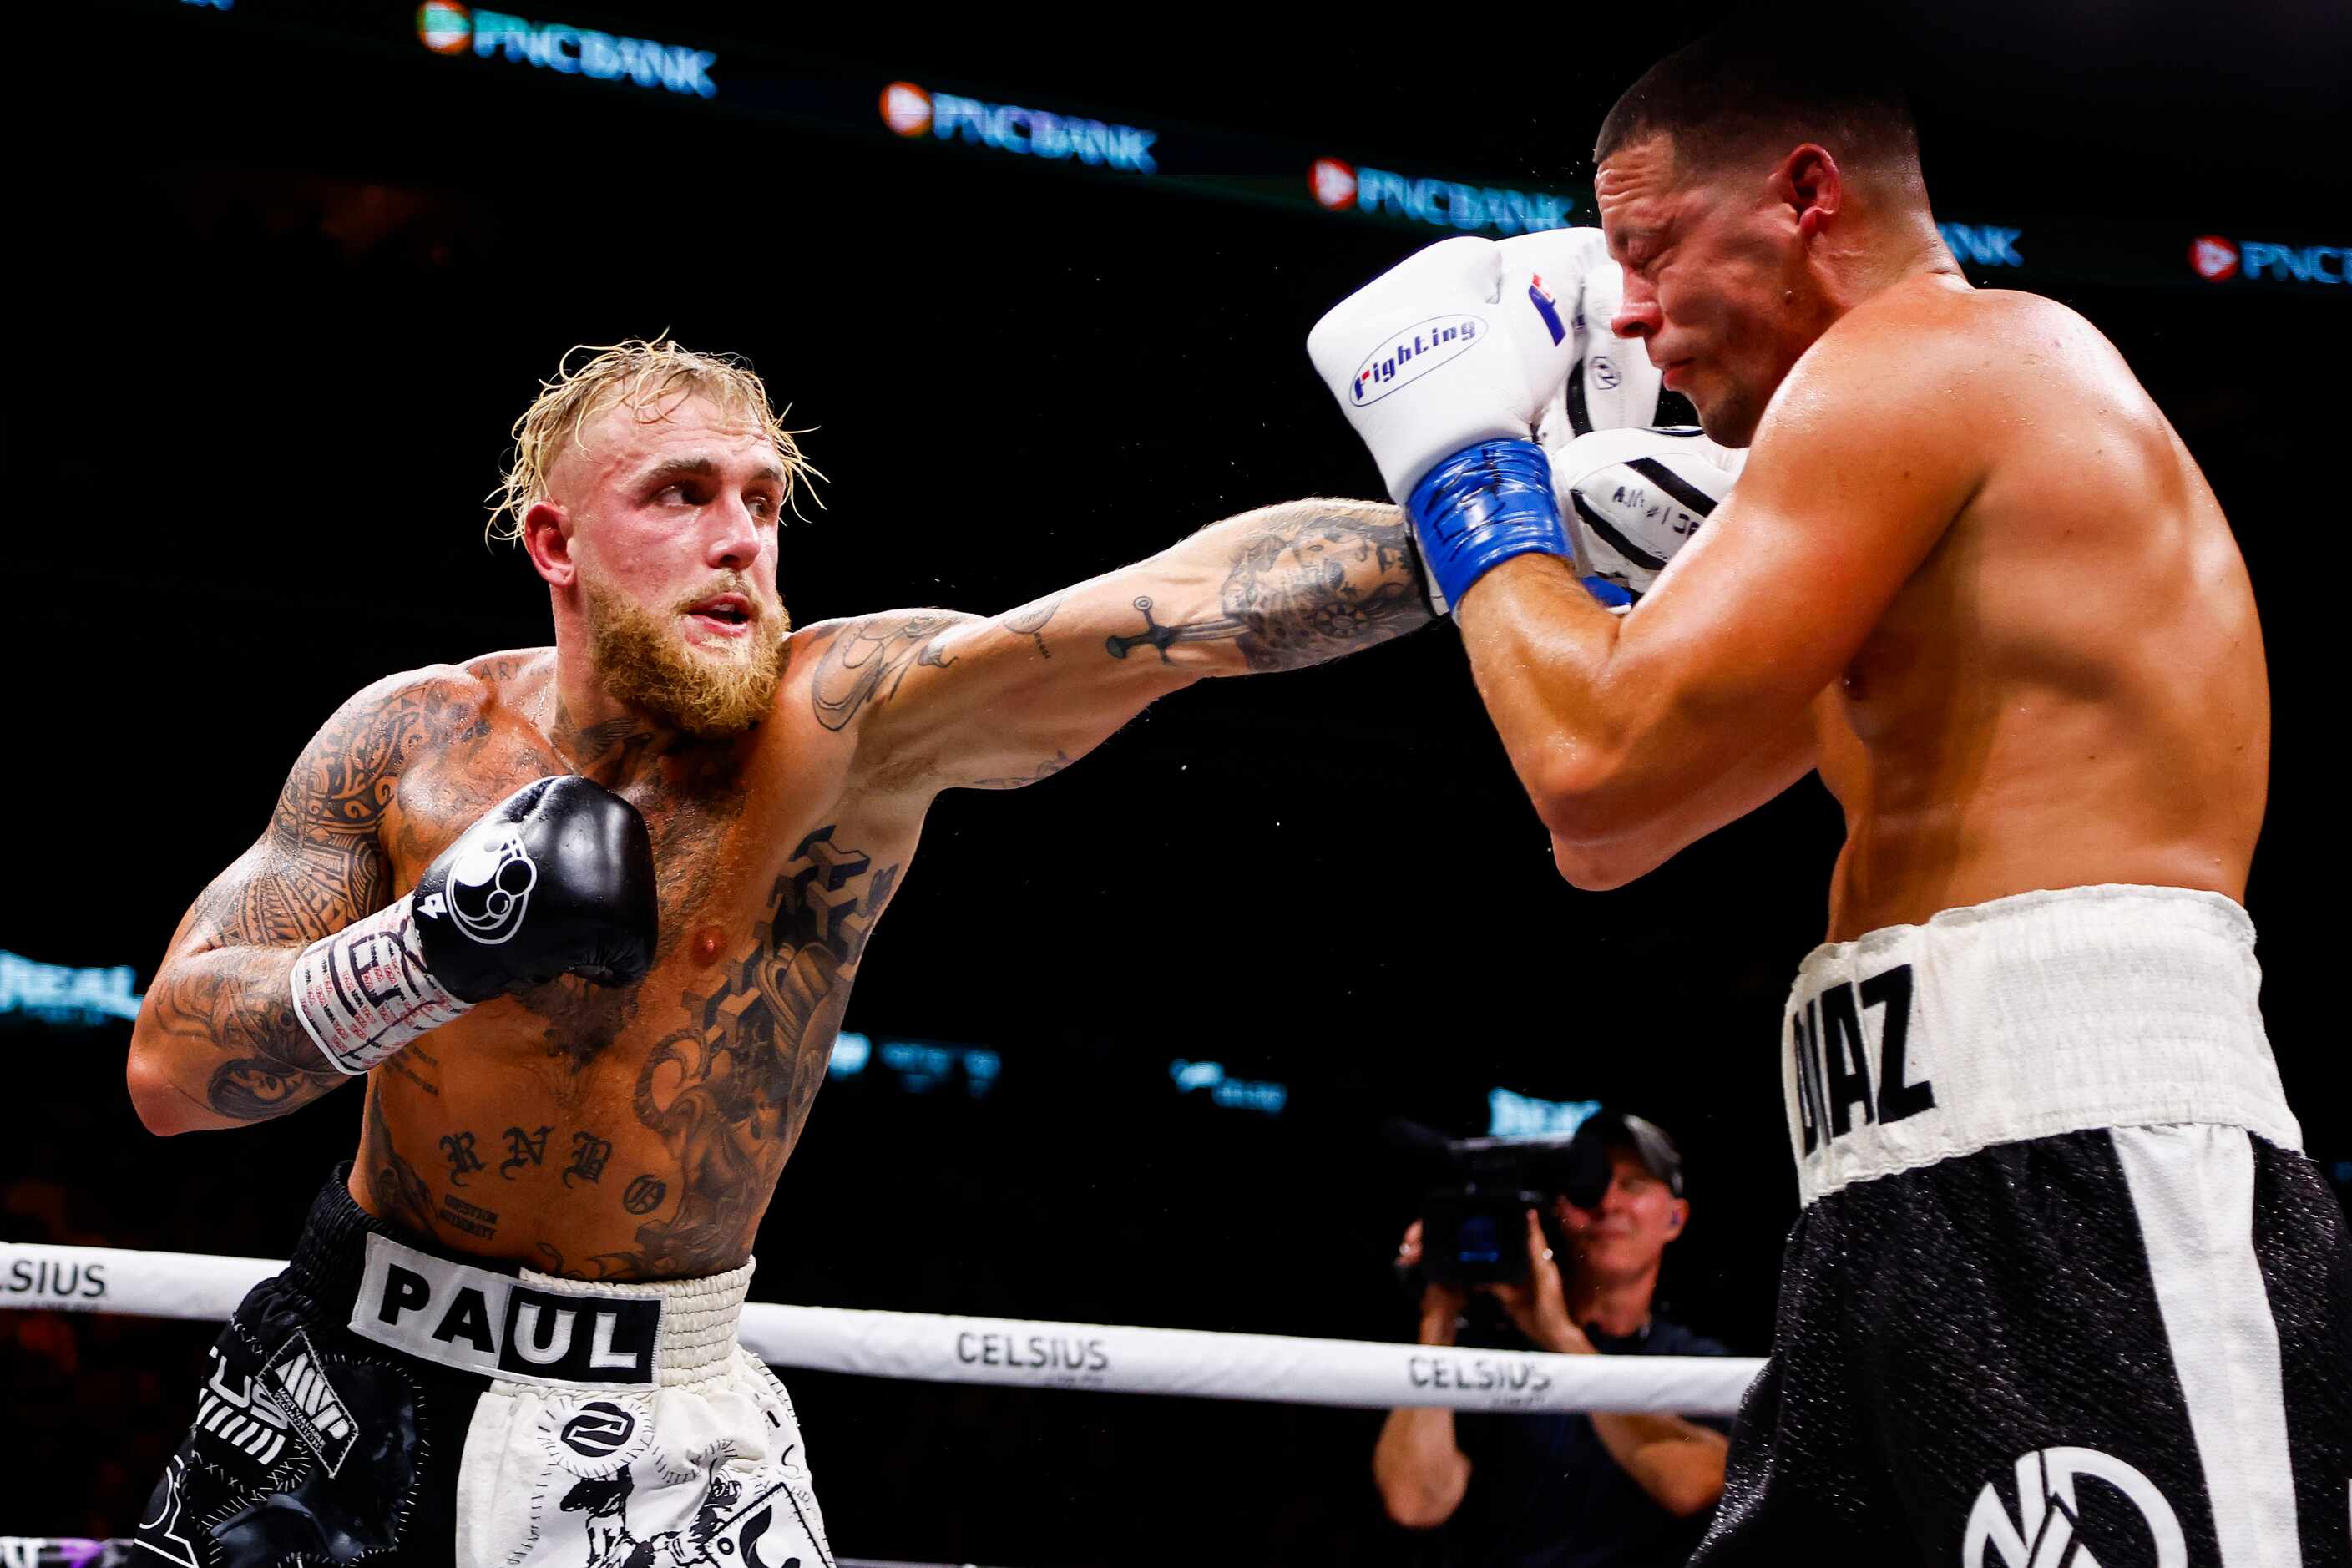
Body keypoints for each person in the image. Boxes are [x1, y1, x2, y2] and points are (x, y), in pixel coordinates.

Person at [121, 337, 1436, 1567]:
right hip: (336, 1369)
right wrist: (431, 950)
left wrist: (1493, 522)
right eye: (681, 494)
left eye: (762, 501)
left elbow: (1182, 603)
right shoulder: (411, 736)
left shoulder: (841, 724)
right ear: (553, 540)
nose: (738, 539)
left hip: (660, 1429)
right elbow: (171, 1072)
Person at [1307, 26, 2350, 1568]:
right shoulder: (1896, 464)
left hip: (2094, 1171)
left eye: (1650, 250)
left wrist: (1468, 464)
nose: (1635, 317)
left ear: (1804, 193)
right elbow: (1604, 834)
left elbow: (1591, 755)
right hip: (1888, 1188)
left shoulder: (1940, 360)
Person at [1373, 1113, 1730, 1567]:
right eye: (1588, 1188)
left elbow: (1697, 1487)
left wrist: (1561, 1337)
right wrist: (1439, 1314)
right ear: (1559, 1210)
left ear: (1676, 1217)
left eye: (1633, 1184)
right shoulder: (1489, 1352)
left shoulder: (1696, 1364)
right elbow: (1414, 1501)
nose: (1607, 1203)